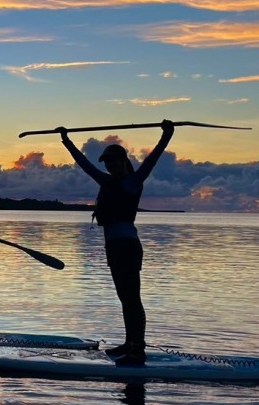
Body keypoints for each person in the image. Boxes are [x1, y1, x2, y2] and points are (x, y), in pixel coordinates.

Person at [57, 120, 175, 365]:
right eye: (107, 162)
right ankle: (129, 342)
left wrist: (167, 135)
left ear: (123, 161)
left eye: (114, 161)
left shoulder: (132, 181)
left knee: (132, 298)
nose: (110, 165)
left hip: (127, 247)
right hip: (113, 247)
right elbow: (84, 165)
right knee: (125, 298)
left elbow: (152, 159)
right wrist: (66, 140)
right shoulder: (106, 181)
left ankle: (137, 349)